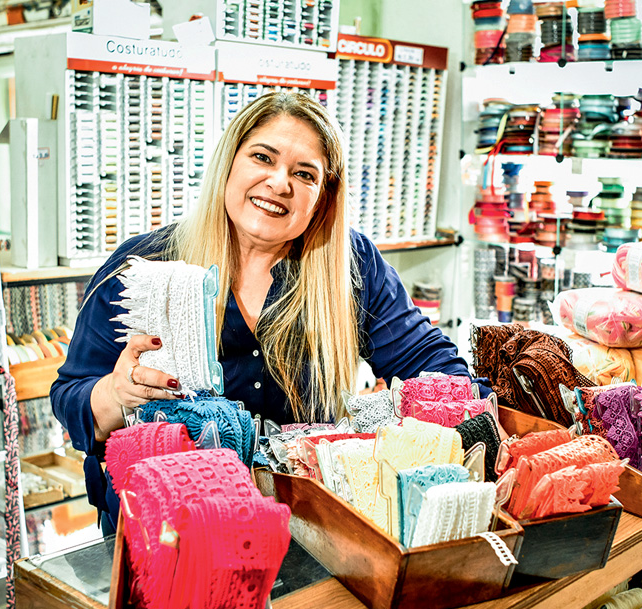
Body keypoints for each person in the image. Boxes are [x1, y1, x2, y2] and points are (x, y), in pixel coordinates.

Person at [51, 92, 480, 533]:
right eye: (263, 157)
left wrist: (476, 418)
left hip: (307, 532)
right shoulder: (146, 266)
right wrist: (117, 394)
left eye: (304, 174)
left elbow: (433, 367)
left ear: (323, 196)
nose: (279, 183)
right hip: (166, 536)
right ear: (230, 161)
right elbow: (71, 399)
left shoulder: (351, 265)